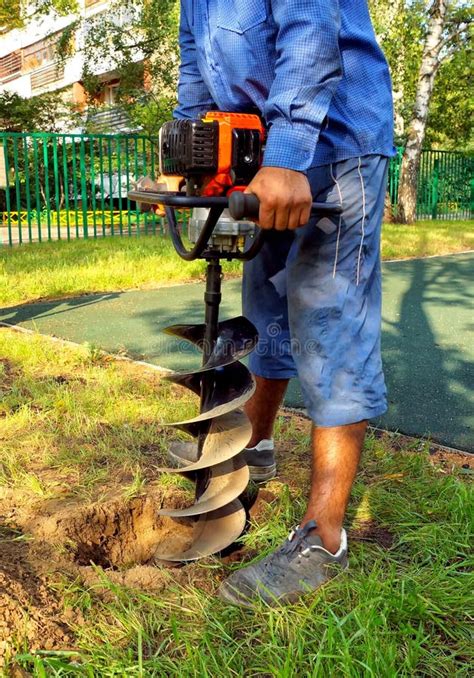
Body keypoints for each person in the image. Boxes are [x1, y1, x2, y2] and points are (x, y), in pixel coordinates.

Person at [173, 0, 395, 607]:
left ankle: (324, 538)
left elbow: (312, 34)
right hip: (259, 159)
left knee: (329, 320)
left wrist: (286, 158)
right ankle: (247, 460)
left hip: (333, 143)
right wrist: (188, 155)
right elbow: (197, 65)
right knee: (264, 312)